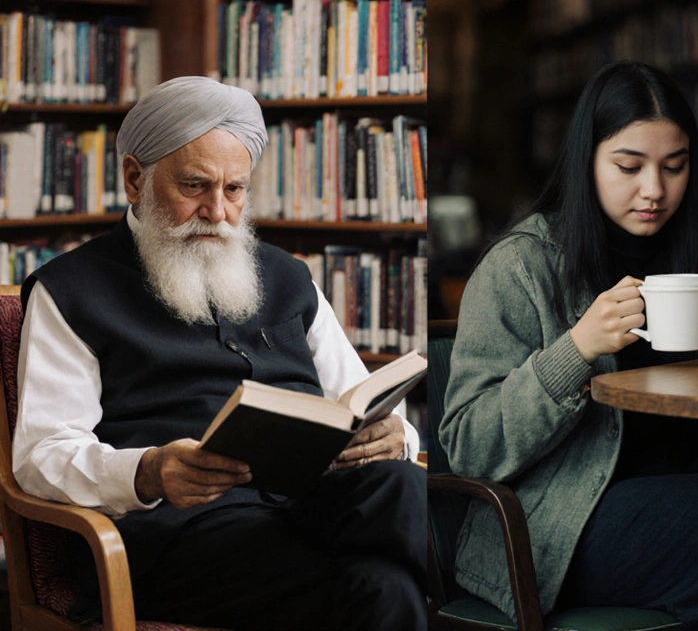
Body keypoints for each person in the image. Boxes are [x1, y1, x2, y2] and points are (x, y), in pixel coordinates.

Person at [12, 77, 427, 629]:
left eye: (235, 190)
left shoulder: (287, 277)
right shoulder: (71, 290)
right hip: (177, 538)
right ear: (135, 179)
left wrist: (397, 437)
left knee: (400, 482)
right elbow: (42, 456)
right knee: (386, 587)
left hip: (308, 506)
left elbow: (361, 401)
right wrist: (148, 471)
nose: (217, 211)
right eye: (195, 186)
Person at [439, 62, 698, 630]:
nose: (655, 190)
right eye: (628, 166)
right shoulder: (519, 265)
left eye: (675, 166)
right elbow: (468, 445)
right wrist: (575, 351)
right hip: (562, 527)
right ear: (587, 162)